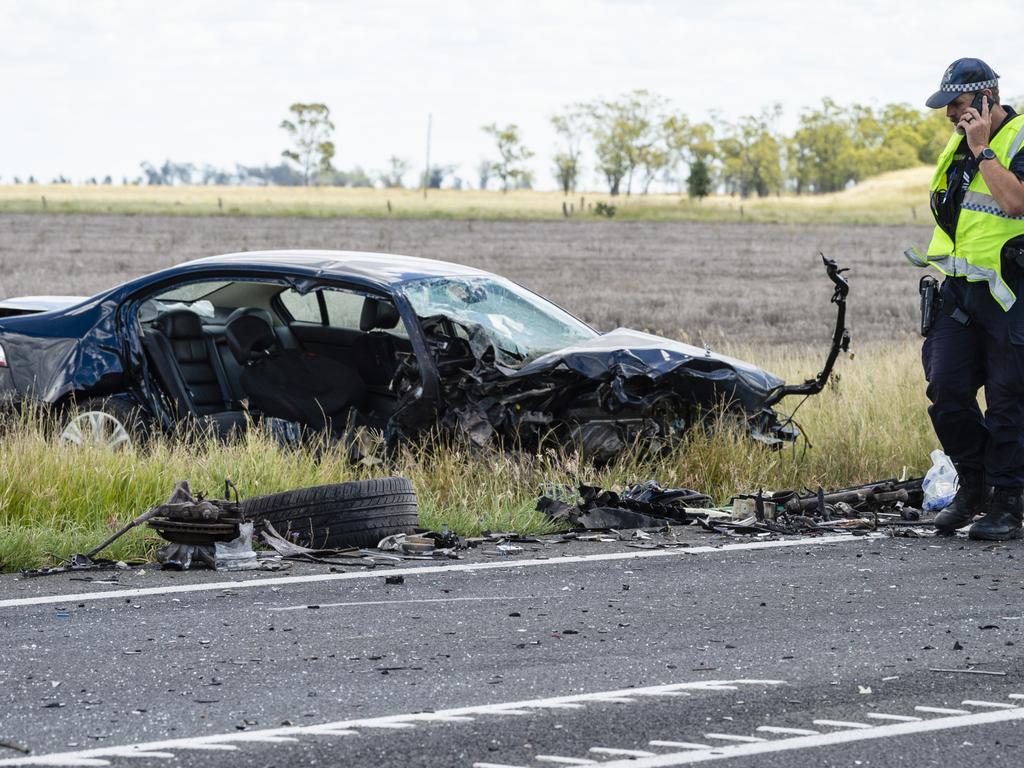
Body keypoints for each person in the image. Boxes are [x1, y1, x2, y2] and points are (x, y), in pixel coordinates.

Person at [922, 58, 1024, 540]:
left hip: (1011, 294)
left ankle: (1008, 501)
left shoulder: (1014, 138)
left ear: (988, 98)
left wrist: (983, 150)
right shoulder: (957, 143)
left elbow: (1016, 203)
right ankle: (975, 483)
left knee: (1009, 401)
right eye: (948, 108)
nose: (951, 116)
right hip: (960, 292)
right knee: (946, 390)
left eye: (958, 105)